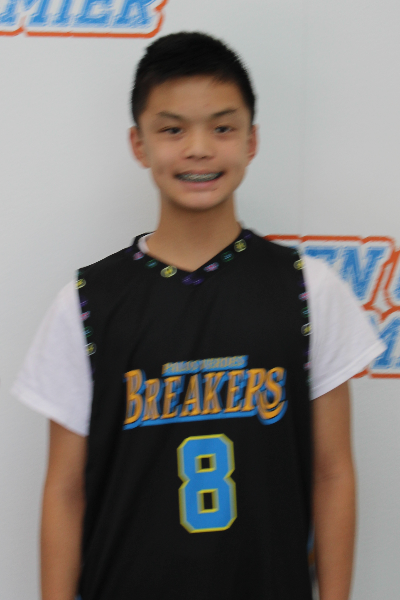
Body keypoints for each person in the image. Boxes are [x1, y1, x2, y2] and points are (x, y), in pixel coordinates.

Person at [13, 32, 385, 600]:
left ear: (252, 140)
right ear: (139, 144)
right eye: (172, 130)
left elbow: (332, 473)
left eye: (222, 128)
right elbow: (65, 491)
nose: (198, 149)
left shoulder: (309, 290)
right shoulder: (87, 302)